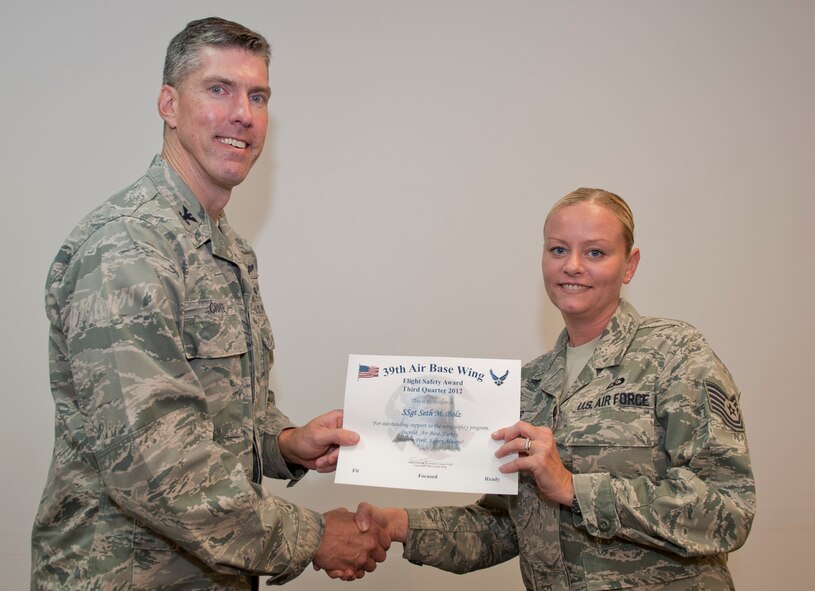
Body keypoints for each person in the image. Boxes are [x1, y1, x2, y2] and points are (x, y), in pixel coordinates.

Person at [31, 17, 389, 590]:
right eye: (218, 89)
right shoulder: (129, 248)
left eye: (258, 96)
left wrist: (284, 444)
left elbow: (216, 416)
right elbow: (154, 466)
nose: (243, 114)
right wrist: (314, 536)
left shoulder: (228, 249)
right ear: (168, 104)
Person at [355, 188, 755, 590]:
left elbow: (728, 510)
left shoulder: (675, 355)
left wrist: (572, 488)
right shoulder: (528, 385)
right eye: (558, 250)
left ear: (629, 265)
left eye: (595, 252)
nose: (573, 266)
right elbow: (503, 527)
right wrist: (397, 525)